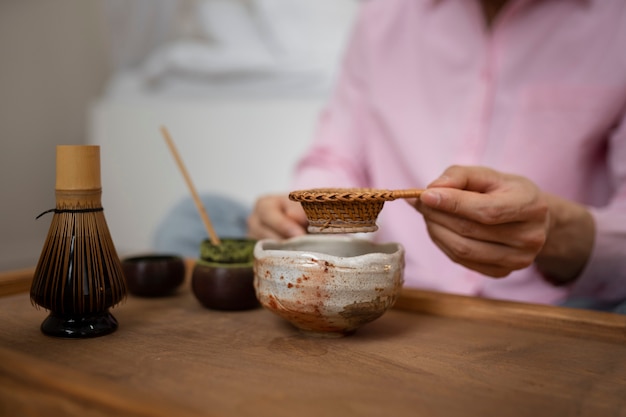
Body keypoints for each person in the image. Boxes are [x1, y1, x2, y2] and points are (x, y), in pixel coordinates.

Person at [246, 0, 626, 310]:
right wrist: (300, 210)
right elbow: (336, 157)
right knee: (205, 215)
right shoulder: (383, 14)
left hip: (559, 303)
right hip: (399, 293)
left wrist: (554, 231)